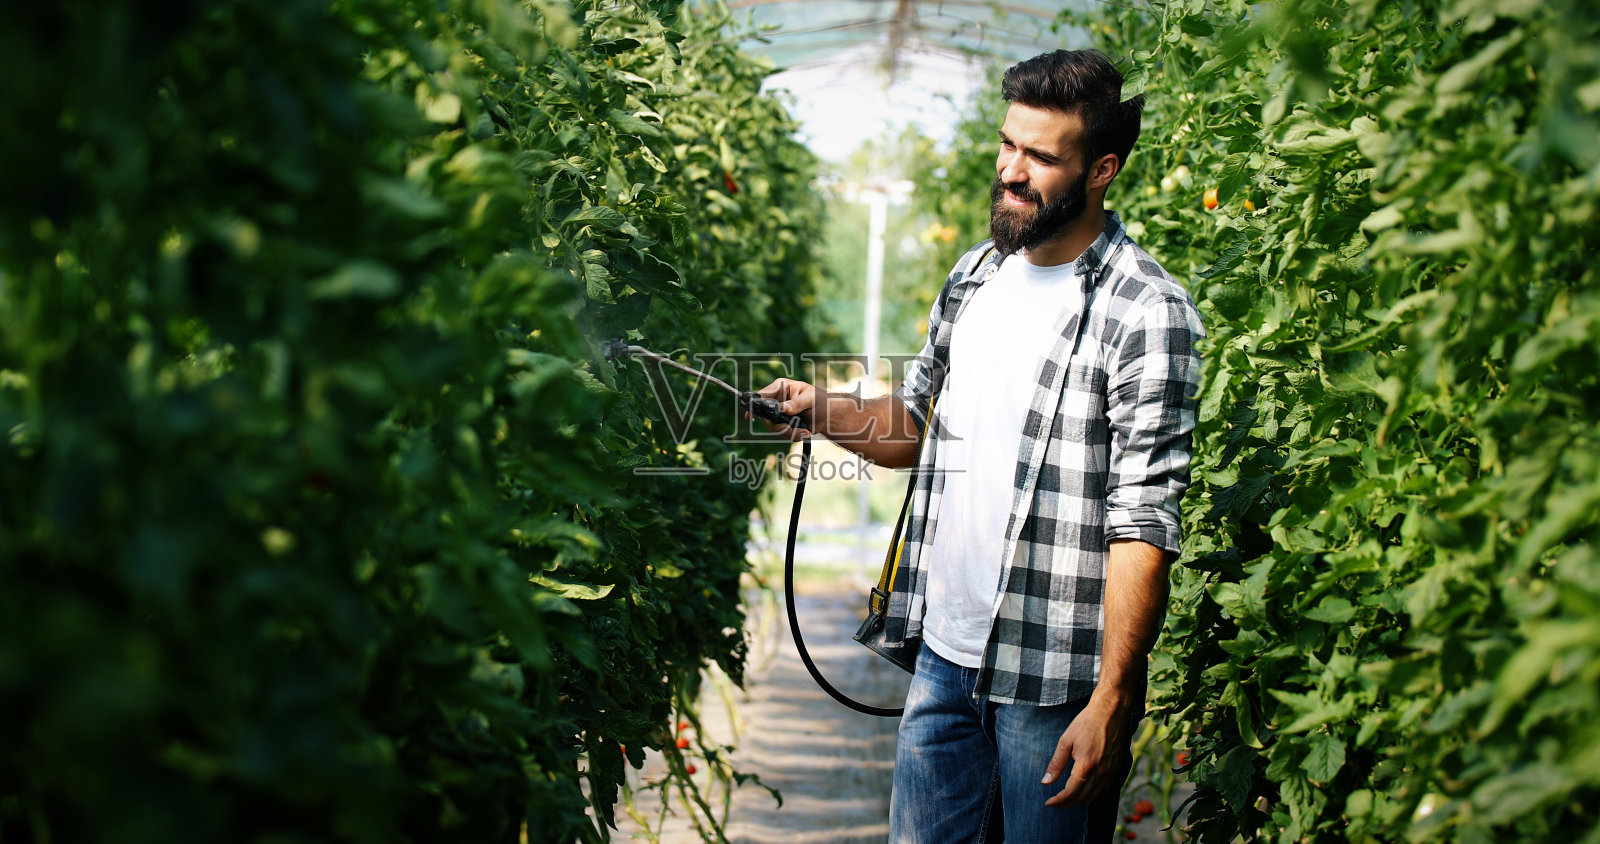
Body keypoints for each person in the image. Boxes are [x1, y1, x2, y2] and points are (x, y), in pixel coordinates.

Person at [754, 49, 1204, 843]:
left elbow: (1143, 521)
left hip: (1052, 681)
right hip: (942, 658)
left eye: (1040, 157)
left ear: (1102, 170)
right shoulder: (975, 277)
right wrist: (822, 410)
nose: (1011, 172)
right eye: (1007, 144)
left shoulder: (1145, 312)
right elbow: (916, 429)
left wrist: (1114, 699)